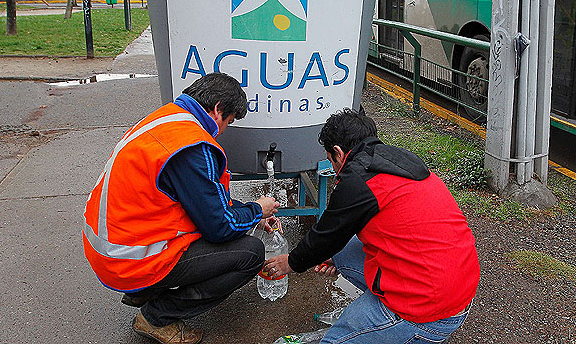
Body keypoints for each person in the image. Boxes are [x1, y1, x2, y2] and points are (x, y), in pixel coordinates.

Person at [83, 72, 280, 344]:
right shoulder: (191, 146)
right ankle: (156, 316)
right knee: (250, 253)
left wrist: (250, 214)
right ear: (217, 109)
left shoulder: (167, 121)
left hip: (114, 245)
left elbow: (203, 201)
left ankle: (147, 290)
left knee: (224, 231)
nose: (223, 130)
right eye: (228, 122)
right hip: (131, 259)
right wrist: (257, 210)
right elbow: (220, 228)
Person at [264, 108, 480, 343]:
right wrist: (329, 255)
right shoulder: (396, 160)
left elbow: (325, 236)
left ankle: (391, 329)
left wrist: (291, 262)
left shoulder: (357, 180)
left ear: (338, 152)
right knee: (341, 251)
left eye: (330, 161)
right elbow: (331, 241)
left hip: (425, 313)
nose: (334, 169)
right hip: (458, 291)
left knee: (331, 341)